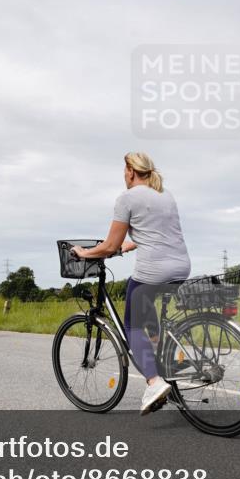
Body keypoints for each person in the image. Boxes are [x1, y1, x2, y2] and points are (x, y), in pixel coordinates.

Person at [73, 152, 191, 415]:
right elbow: (154, 234)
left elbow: (109, 245)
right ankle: (165, 365)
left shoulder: (127, 198)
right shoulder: (166, 194)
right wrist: (129, 245)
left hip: (153, 270)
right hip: (181, 266)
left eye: (123, 171)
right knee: (150, 318)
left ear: (130, 171)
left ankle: (154, 382)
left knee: (131, 325)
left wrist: (84, 253)